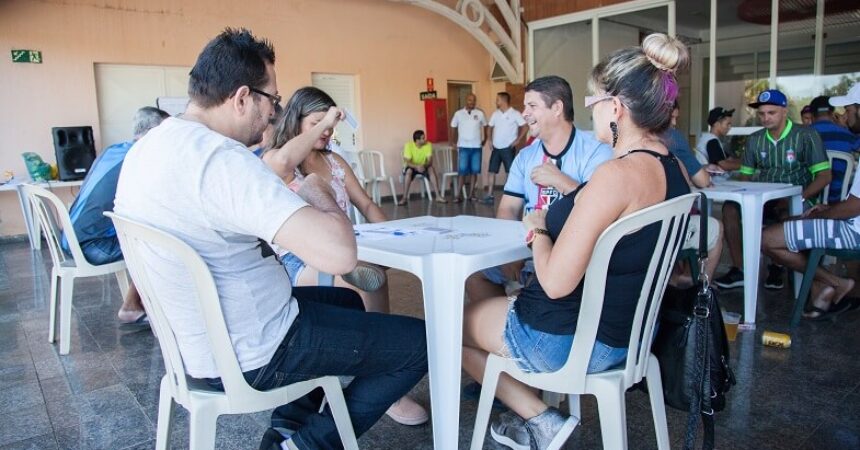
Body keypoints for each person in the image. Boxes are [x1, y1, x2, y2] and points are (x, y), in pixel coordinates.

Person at [113, 29, 427, 450]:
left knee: (348, 302)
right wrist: (320, 194)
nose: (273, 114)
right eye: (272, 101)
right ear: (243, 97)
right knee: (419, 344)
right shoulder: (221, 161)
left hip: (195, 343)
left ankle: (286, 426)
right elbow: (339, 254)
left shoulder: (147, 149)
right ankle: (307, 444)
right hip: (255, 348)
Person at [462, 33, 691, 449]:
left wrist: (539, 230)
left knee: (449, 327)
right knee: (486, 304)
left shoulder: (616, 175)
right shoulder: (675, 170)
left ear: (617, 108)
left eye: (593, 103)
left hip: (571, 340)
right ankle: (533, 411)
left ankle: (540, 418)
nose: (591, 113)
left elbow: (554, 284)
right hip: (632, 337)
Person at [264, 86, 429, 426]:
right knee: (364, 281)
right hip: (298, 258)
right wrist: (325, 120)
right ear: (297, 121)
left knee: (372, 277)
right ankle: (384, 381)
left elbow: (366, 204)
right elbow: (280, 162)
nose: (327, 130)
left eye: (330, 124)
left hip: (344, 245)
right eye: (317, 122)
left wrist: (397, 239)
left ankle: (379, 369)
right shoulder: (280, 161)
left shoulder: (335, 162)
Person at [464, 75, 612, 304]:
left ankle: (524, 323)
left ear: (557, 108)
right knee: (476, 277)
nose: (524, 113)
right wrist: (508, 254)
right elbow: (508, 210)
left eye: (532, 106)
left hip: (572, 259)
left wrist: (561, 181)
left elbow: (599, 210)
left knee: (540, 286)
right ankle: (510, 327)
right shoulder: (525, 157)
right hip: (528, 253)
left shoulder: (595, 149)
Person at [714, 89, 832, 291]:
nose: (765, 118)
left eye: (771, 113)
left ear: (784, 111)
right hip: (764, 198)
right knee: (730, 208)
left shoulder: (806, 135)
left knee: (784, 208)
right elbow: (746, 176)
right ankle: (740, 269)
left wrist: (800, 197)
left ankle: (778, 266)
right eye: (761, 113)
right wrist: (742, 195)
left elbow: (824, 176)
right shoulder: (755, 140)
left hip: (799, 198)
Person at [62, 106, 169, 325]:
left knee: (147, 237)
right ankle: (145, 309)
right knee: (162, 244)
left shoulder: (113, 150)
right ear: (156, 132)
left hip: (68, 238)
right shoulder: (140, 159)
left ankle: (134, 305)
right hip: (91, 245)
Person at [762, 165, 860, 319]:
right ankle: (823, 283)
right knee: (792, 221)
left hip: (854, 232)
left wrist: (821, 216)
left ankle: (835, 283)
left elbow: (855, 207)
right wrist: (829, 209)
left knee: (767, 239)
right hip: (853, 224)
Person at [665, 102, 724, 282]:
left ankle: (674, 279)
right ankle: (696, 284)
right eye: (672, 117)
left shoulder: (622, 136)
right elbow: (703, 181)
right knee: (716, 227)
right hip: (662, 229)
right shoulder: (672, 137)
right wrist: (701, 172)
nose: (674, 123)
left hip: (629, 227)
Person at [808, 95, 860, 204]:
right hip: (839, 199)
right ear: (832, 114)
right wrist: (846, 129)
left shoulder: (802, 135)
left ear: (812, 116)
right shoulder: (846, 135)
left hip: (809, 198)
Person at [482, 92, 527, 204]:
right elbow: (489, 127)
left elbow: (525, 126)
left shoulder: (515, 113)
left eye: (497, 99)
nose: (496, 102)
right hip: (496, 148)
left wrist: (517, 140)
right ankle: (489, 195)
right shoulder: (495, 114)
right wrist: (489, 140)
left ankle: (509, 195)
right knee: (491, 171)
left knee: (510, 172)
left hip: (508, 148)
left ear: (503, 100)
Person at [450, 93, 487, 202]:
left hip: (476, 147)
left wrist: (485, 138)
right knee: (462, 172)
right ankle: (458, 195)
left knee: (474, 171)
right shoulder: (458, 114)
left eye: (474, 100)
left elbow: (485, 126)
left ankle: (471, 195)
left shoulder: (480, 113)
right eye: (470, 100)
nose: (472, 102)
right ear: (466, 100)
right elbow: (453, 127)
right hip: (463, 147)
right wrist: (452, 141)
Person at [397, 129, 446, 205]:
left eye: (424, 137)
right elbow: (407, 161)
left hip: (424, 165)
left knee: (431, 169)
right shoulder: (408, 145)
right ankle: (404, 198)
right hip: (412, 166)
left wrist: (423, 166)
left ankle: (438, 196)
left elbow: (430, 161)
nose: (425, 139)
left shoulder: (428, 144)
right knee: (408, 172)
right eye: (423, 138)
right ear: (417, 140)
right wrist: (416, 167)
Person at [696, 106, 740, 171]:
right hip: (709, 179)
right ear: (716, 124)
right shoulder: (711, 141)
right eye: (728, 124)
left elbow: (729, 159)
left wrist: (748, 161)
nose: (730, 127)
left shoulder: (711, 139)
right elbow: (724, 165)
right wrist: (747, 167)